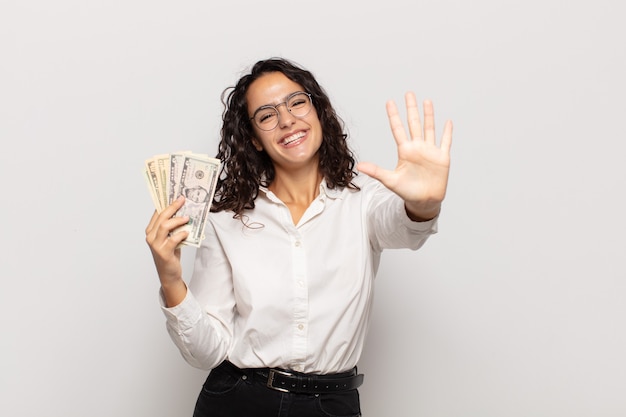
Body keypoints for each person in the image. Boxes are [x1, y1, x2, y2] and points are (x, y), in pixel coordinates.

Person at [145, 57, 452, 417]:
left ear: (317, 110)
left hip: (330, 404)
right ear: (255, 140)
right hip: (238, 400)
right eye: (266, 115)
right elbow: (206, 351)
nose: (287, 119)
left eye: (296, 102)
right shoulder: (226, 218)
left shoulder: (363, 199)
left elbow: (405, 228)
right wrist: (170, 279)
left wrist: (425, 204)